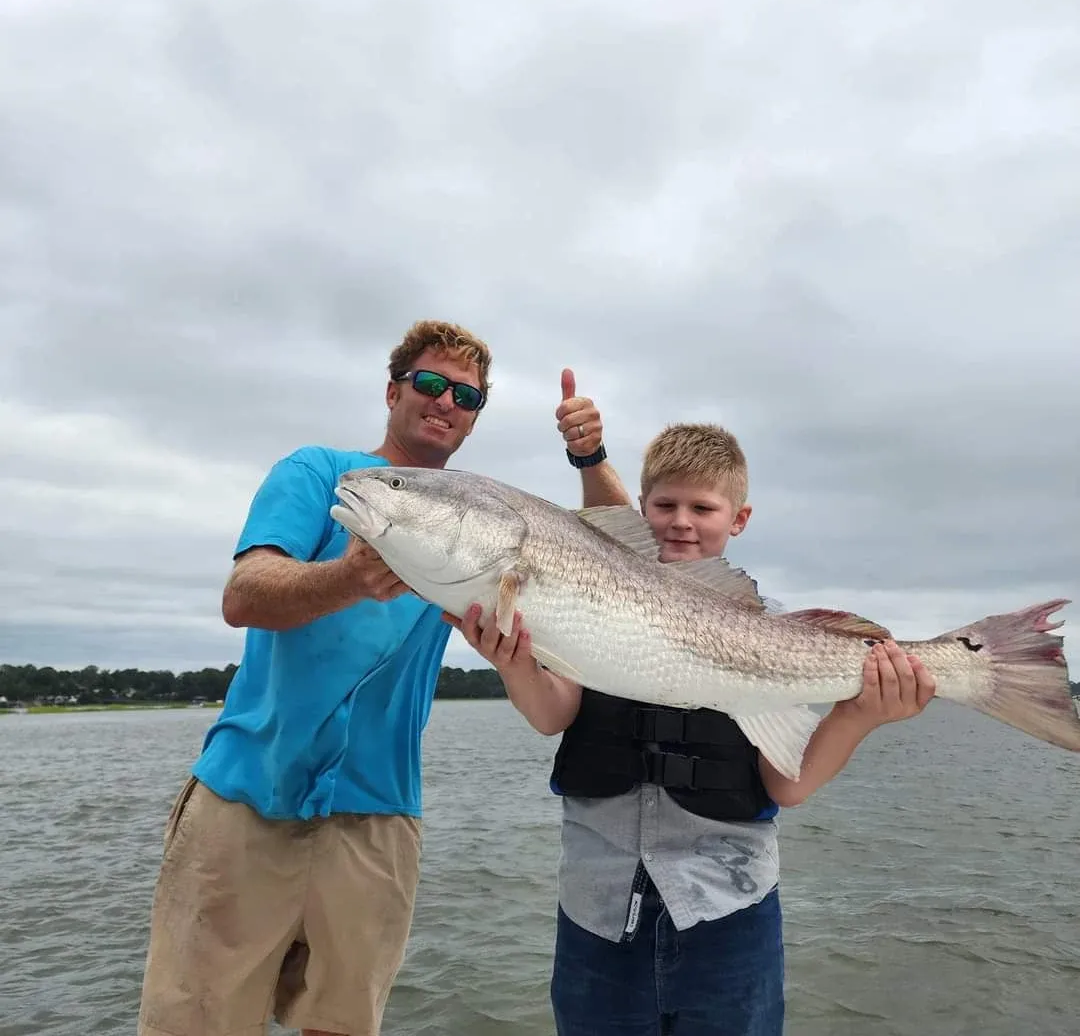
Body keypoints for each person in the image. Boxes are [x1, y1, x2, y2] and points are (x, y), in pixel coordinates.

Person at [449, 370, 936, 1036]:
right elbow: (551, 714)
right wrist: (512, 663)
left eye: (702, 509)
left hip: (727, 915)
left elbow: (784, 785)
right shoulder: (589, 603)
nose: (681, 523)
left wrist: (861, 712)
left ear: (738, 519)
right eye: (665, 506)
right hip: (597, 912)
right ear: (640, 509)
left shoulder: (771, 626)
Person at [137, 320, 493, 1036]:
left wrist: (590, 455)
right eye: (428, 383)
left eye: (466, 395)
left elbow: (608, 547)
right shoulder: (320, 473)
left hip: (379, 815)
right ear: (392, 391)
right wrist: (350, 576)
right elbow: (246, 592)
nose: (445, 401)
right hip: (245, 798)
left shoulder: (474, 522)